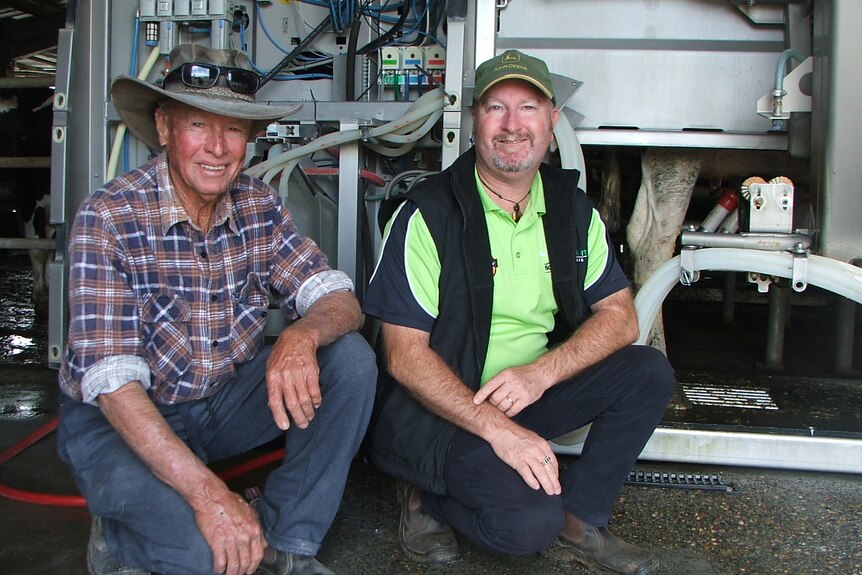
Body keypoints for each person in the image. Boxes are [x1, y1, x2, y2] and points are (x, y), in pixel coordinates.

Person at [56, 44, 376, 575]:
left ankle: (289, 542)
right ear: (164, 127)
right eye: (199, 125)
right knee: (209, 556)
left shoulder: (258, 204)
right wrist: (213, 498)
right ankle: (121, 530)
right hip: (123, 417)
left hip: (218, 403)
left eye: (233, 130)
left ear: (249, 142)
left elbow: (337, 297)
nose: (217, 147)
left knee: (349, 360)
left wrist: (302, 335)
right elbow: (113, 385)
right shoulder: (108, 217)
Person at [363, 50, 675, 575]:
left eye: (528, 107)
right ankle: (423, 494)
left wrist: (540, 374)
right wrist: (496, 429)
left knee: (647, 372)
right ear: (473, 123)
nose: (512, 125)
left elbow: (620, 316)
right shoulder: (428, 213)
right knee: (527, 528)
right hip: (446, 413)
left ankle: (581, 517)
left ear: (552, 122)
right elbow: (403, 357)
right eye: (495, 108)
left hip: (527, 393)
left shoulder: (572, 209)